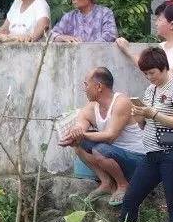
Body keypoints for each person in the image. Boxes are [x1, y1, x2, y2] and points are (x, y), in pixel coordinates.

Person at [120, 47, 173, 222]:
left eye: (152, 73)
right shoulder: (150, 90)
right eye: (145, 74)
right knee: (130, 199)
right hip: (153, 153)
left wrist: (153, 114)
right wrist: (139, 114)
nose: (149, 77)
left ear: (163, 68)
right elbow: (145, 123)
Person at [61, 67, 146, 204]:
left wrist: (83, 134)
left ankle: (123, 185)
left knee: (100, 150)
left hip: (137, 160)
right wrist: (73, 135)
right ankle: (107, 182)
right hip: (114, 158)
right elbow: (80, 127)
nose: (85, 88)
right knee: (78, 144)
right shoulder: (90, 107)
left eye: (86, 84)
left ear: (99, 86)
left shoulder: (121, 102)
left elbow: (110, 136)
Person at [52, 0, 117, 43]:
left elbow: (111, 35)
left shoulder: (105, 13)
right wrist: (63, 37)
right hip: (75, 53)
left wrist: (87, 47)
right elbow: (51, 35)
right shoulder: (69, 17)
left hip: (98, 53)